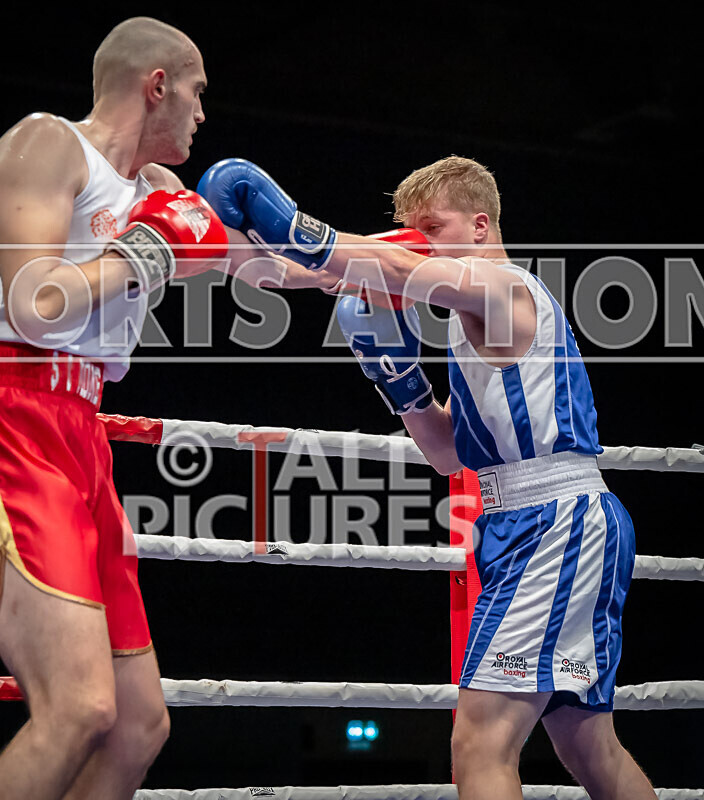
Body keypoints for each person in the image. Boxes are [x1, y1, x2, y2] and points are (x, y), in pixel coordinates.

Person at [0, 17, 332, 800]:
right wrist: (145, 251)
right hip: (7, 407)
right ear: (158, 85)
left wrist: (406, 268)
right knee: (77, 707)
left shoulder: (162, 195)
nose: (202, 112)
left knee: (139, 724)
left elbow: (266, 269)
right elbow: (35, 304)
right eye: (198, 91)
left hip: (83, 430)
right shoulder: (46, 145)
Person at [197, 156, 655, 799]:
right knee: (588, 745)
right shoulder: (468, 322)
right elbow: (447, 455)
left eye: (431, 228)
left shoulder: (504, 289)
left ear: (479, 224)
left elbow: (394, 266)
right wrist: (399, 379)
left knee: (479, 743)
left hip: (554, 522)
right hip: (531, 522)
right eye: (410, 231)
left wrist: (293, 224)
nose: (419, 244)